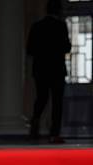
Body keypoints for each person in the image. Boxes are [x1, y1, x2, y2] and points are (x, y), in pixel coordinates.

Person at [26, 0, 71, 144]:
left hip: (41, 69)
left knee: (41, 99)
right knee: (57, 102)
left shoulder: (37, 26)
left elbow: (30, 49)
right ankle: (54, 134)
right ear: (58, 11)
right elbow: (66, 47)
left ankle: (34, 127)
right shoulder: (61, 26)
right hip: (57, 69)